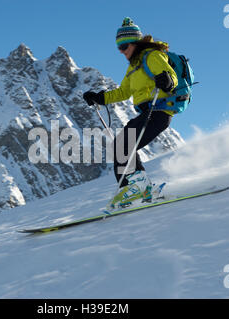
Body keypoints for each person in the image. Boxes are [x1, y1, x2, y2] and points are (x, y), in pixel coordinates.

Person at [83, 17, 178, 211]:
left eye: (125, 46)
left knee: (122, 145)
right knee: (122, 146)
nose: (122, 51)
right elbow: (123, 92)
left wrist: (167, 81)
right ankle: (141, 189)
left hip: (159, 110)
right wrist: (99, 98)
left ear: (136, 43)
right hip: (148, 112)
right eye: (119, 48)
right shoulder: (133, 67)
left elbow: (171, 76)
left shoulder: (152, 56)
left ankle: (134, 190)